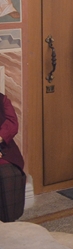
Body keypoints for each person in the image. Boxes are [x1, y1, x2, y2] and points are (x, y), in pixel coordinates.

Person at [0, 90, 26, 222]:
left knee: (9, 174)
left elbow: (12, 123)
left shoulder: (2, 99)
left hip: (3, 146)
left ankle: (9, 223)